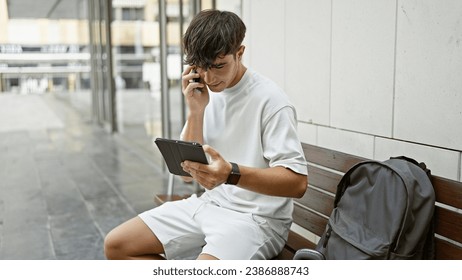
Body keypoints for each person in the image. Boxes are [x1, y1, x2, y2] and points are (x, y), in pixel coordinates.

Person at [104, 9, 308, 260]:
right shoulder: (203, 94)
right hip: (209, 204)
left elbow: (297, 183)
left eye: (219, 66)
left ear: (240, 53)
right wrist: (195, 111)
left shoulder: (271, 100)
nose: (210, 78)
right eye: (202, 67)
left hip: (256, 220)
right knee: (117, 246)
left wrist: (231, 174)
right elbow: (186, 176)